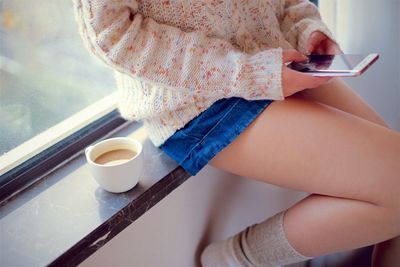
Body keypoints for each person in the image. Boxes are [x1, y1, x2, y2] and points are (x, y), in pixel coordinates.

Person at [72, 0, 400, 266]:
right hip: (196, 100)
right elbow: (112, 34)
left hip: (280, 63)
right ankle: (233, 260)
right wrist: (248, 72)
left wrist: (306, 30)